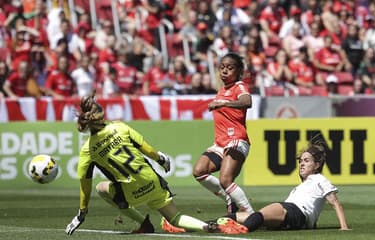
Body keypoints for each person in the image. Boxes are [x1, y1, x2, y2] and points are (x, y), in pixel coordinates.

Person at [65, 92, 236, 235]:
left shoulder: (88, 149)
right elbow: (147, 149)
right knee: (175, 217)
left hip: (131, 193)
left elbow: (84, 184)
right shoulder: (119, 127)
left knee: (101, 188)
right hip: (151, 182)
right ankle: (207, 226)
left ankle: (143, 223)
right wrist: (161, 159)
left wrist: (82, 212)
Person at [214, 139, 350, 233]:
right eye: (301, 161)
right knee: (241, 216)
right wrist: (311, 224)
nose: (302, 164)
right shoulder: (304, 185)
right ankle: (207, 225)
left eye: (306, 161)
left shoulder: (320, 179)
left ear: (317, 165)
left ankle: (239, 231)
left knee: (258, 216)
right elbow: (312, 211)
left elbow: (335, 203)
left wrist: (344, 226)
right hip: (293, 219)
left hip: (294, 212)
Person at [192, 52, 254, 215]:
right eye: (222, 68)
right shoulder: (222, 89)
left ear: (239, 71)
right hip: (220, 143)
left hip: (236, 140)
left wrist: (222, 103)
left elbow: (247, 102)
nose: (225, 71)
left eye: (230, 68)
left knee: (225, 180)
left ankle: (251, 214)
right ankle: (229, 200)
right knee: (199, 171)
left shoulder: (239, 86)